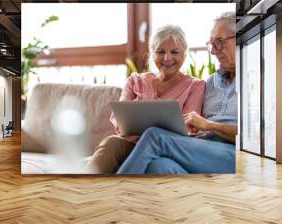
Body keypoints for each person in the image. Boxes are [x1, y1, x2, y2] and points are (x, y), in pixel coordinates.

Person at [116, 12, 237, 174]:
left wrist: (207, 125)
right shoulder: (210, 83)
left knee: (155, 136)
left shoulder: (256, 80)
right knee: (159, 166)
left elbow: (258, 139)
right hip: (200, 147)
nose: (214, 51)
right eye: (211, 44)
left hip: (232, 153)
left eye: (220, 42)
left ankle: (115, 194)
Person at [86, 25, 206, 174]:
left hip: (165, 150)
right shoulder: (135, 80)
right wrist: (122, 125)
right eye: (160, 52)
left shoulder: (196, 85)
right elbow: (119, 117)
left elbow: (189, 127)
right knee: (111, 143)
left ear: (184, 54)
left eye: (174, 52)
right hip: (131, 144)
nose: (167, 58)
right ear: (152, 54)